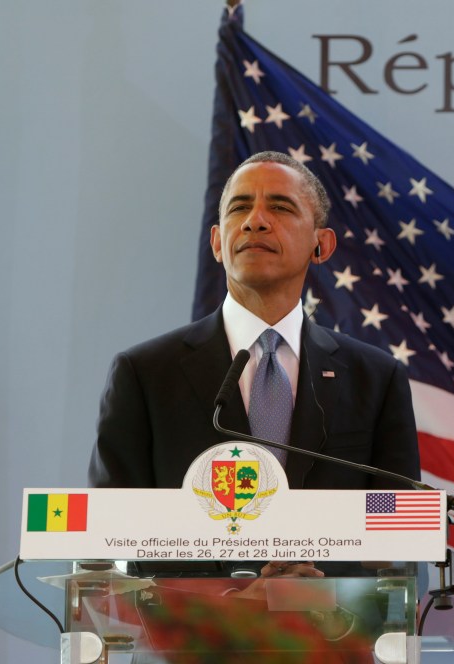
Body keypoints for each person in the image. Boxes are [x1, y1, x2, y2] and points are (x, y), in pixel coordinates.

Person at [88, 151, 421, 578]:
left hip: (330, 635)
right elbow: (110, 530)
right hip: (190, 637)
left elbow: (397, 539)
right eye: (239, 208)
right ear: (216, 242)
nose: (255, 221)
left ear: (322, 245)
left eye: (280, 207)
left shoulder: (376, 378)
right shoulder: (144, 373)